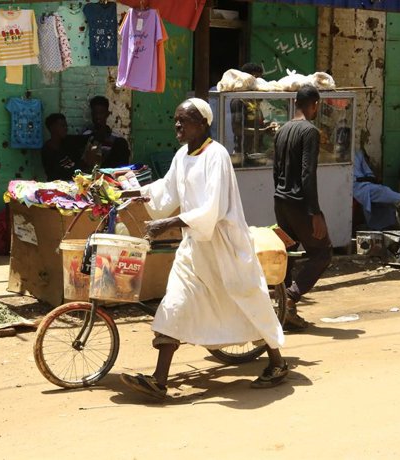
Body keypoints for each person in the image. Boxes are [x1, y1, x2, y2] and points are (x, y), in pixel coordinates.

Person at [120, 98, 288, 399]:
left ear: (202, 123)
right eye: (176, 119)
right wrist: (132, 192)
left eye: (184, 120)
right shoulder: (182, 155)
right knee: (174, 302)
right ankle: (159, 379)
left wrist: (170, 222)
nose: (177, 125)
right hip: (195, 245)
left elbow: (213, 209)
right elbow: (165, 189)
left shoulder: (217, 155)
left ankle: (277, 362)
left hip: (224, 245)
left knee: (247, 299)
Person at [273, 84, 332, 330]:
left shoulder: (282, 130)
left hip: (281, 201)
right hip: (300, 204)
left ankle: (285, 311)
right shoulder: (309, 132)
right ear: (315, 104)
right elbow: (308, 173)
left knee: (287, 255)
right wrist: (315, 213)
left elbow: (275, 171)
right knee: (322, 253)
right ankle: (291, 297)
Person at [230, 62, 278, 156]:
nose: (259, 81)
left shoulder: (254, 100)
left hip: (257, 151)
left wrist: (269, 125)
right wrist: (262, 131)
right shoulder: (238, 101)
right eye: (257, 78)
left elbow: (259, 122)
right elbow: (237, 129)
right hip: (243, 153)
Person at [353, 149, 400, 230]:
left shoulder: (357, 153)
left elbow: (368, 172)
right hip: (354, 186)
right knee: (383, 192)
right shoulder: (341, 157)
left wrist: (372, 179)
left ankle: (388, 224)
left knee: (384, 193)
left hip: (365, 184)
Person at [82, 95, 131, 169]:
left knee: (121, 143)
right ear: (92, 115)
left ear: (107, 114)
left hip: (111, 174)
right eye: (95, 113)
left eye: (101, 113)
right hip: (90, 175)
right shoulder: (86, 136)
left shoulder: (117, 139)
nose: (98, 117)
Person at [41, 113, 90, 181]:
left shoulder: (68, 142)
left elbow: (85, 139)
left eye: (66, 126)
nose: (66, 128)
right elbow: (55, 174)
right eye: (62, 126)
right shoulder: (47, 150)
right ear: (52, 128)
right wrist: (80, 166)